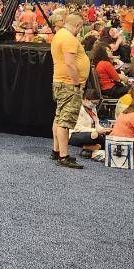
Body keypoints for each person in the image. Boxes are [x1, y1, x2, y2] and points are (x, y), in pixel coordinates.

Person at [49, 12, 89, 169]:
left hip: (61, 82)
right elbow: (70, 64)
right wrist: (77, 83)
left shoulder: (60, 34)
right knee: (64, 121)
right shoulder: (69, 38)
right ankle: (63, 156)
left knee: (59, 117)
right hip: (69, 84)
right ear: (78, 25)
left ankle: (56, 150)